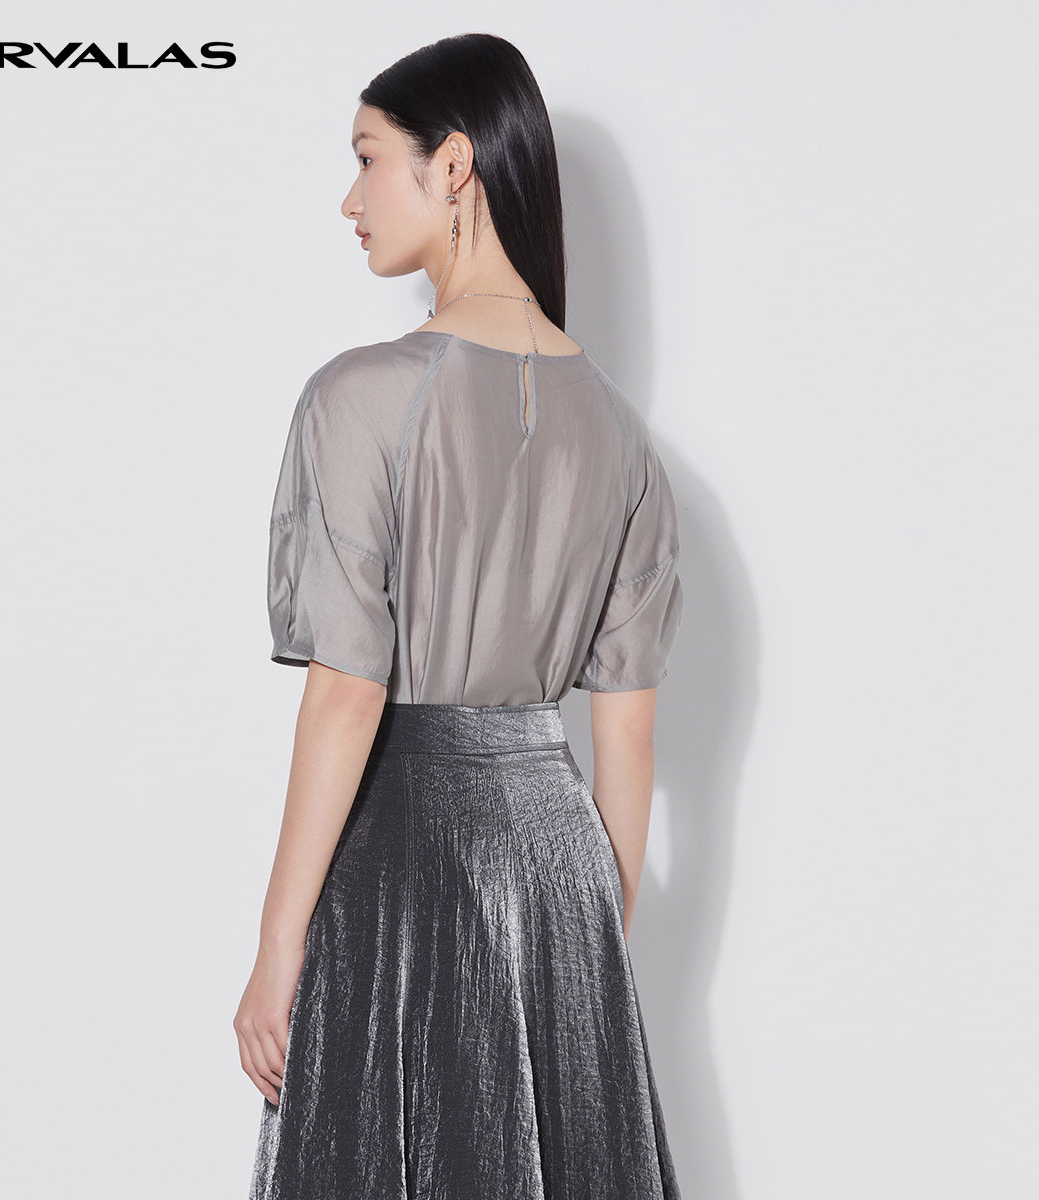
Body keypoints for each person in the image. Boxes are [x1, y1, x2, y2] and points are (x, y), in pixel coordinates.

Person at [234, 32, 684, 1200]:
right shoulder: (624, 437)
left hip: (402, 866)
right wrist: (587, 948)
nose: (350, 199)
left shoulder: (361, 397)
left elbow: (348, 692)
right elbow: (628, 736)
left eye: (366, 158)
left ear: (453, 165)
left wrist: (277, 948)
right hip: (564, 873)